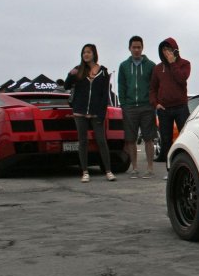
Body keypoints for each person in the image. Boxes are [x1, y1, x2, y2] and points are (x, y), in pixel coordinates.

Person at [65, 43, 117, 183]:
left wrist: (101, 114)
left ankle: (108, 171)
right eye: (84, 52)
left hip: (96, 112)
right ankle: (85, 171)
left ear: (94, 54)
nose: (86, 54)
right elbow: (66, 86)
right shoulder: (78, 70)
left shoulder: (103, 71)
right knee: (83, 141)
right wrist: (70, 75)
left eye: (88, 52)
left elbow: (104, 95)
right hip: (80, 111)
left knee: (101, 140)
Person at [118, 36, 157, 179]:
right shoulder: (123, 66)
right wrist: (123, 104)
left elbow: (154, 86)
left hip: (147, 106)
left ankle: (150, 168)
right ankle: (134, 168)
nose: (136, 50)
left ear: (142, 48)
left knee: (149, 138)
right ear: (129, 48)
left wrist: (153, 103)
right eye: (134, 47)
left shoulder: (151, 65)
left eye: (139, 47)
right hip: (129, 107)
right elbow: (121, 86)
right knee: (131, 139)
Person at [150, 37, 191, 165]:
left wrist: (173, 63)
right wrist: (156, 104)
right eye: (163, 49)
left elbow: (181, 79)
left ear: (175, 49)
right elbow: (152, 89)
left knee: (185, 136)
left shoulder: (185, 63)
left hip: (181, 107)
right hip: (164, 109)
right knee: (166, 140)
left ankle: (186, 163)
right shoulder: (157, 68)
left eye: (168, 49)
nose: (166, 52)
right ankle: (169, 167)